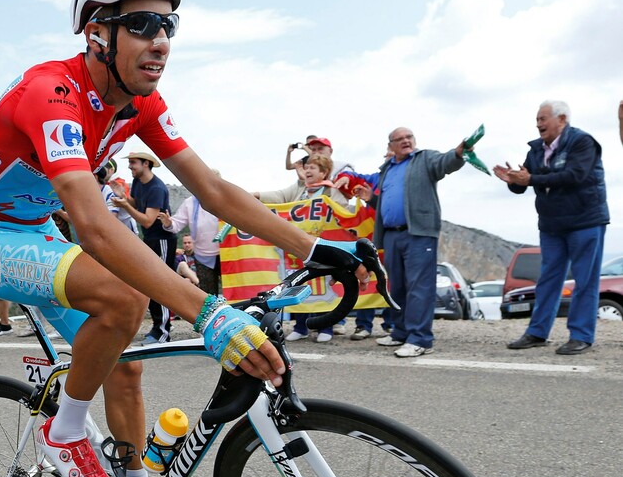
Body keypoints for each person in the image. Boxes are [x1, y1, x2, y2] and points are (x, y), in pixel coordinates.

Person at [0, 0, 367, 477]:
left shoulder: (141, 103)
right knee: (123, 298)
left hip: (36, 228)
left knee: (124, 370)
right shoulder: (51, 91)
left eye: (168, 25)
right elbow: (92, 225)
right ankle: (63, 432)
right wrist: (208, 310)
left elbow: (211, 190)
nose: (161, 40)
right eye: (142, 24)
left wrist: (313, 248)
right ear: (97, 34)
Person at [493, 100, 610, 355]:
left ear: (562, 119)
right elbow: (524, 183)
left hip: (585, 221)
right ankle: (537, 332)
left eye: (543, 119)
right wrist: (513, 180)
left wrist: (530, 178)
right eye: (537, 119)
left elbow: (574, 176)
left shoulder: (583, 142)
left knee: (585, 280)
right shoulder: (535, 150)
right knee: (547, 279)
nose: (538, 124)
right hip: (552, 225)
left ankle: (581, 336)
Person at [341, 127, 469, 357]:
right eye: (399, 139)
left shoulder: (425, 159)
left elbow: (445, 163)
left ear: (414, 140)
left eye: (408, 137)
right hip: (391, 235)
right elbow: (387, 201)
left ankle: (420, 339)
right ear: (391, 146)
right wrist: (372, 199)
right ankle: (400, 332)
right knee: (396, 286)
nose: (405, 141)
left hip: (418, 233)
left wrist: (458, 153)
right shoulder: (388, 169)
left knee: (419, 287)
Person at [254, 154, 350, 342]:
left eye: (313, 168)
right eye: (306, 167)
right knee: (299, 285)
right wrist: (256, 196)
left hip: (323, 248)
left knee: (323, 287)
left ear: (324, 172)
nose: (307, 170)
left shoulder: (331, 192)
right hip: (298, 249)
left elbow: (343, 212)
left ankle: (325, 327)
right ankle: (301, 326)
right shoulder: (300, 191)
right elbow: (279, 197)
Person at [112, 149, 176, 344]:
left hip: (162, 239)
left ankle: (163, 331)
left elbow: (148, 220)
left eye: (133, 163)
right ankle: (159, 326)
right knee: (151, 282)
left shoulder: (157, 188)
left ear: (145, 164)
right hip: (151, 239)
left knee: (161, 283)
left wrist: (125, 206)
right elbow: (138, 205)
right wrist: (125, 197)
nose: (130, 166)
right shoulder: (139, 182)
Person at [156, 190, 221, 295]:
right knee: (208, 296)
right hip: (203, 257)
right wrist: (168, 223)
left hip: (227, 254)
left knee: (233, 290)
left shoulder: (224, 198)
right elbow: (176, 224)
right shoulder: (189, 203)